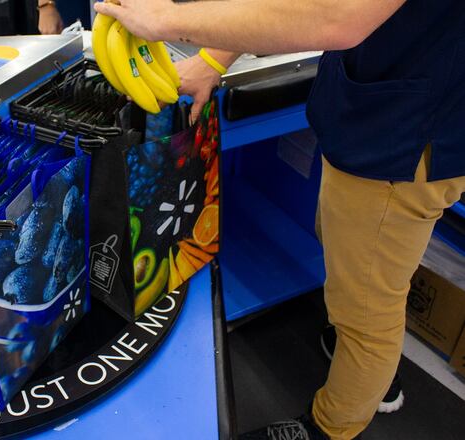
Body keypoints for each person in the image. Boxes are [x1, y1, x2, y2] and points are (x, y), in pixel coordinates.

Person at [94, 1, 465, 439]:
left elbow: (336, 17)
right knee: (353, 259)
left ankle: (333, 425)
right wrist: (215, 56)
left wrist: (165, 21)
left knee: (368, 307)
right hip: (375, 110)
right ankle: (359, 358)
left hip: (402, 139)